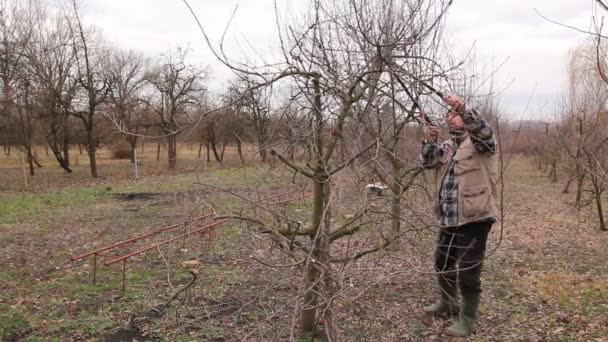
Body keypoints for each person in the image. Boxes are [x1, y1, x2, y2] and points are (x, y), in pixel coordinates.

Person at [419, 94, 498, 337]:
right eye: (448, 116)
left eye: (453, 115)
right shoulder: (451, 146)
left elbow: (482, 131)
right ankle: (449, 302)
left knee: (468, 271)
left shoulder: (481, 143)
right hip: (450, 217)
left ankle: (468, 317)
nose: (449, 118)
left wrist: (462, 108)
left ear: (464, 118)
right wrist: (430, 140)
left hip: (475, 217)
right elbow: (430, 162)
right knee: (442, 264)